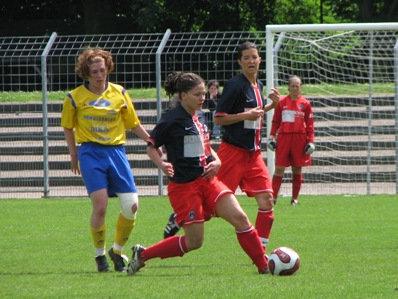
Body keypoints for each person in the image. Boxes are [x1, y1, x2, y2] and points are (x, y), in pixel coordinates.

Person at [127, 71, 269, 275]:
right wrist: (162, 164)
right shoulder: (171, 119)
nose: (202, 98)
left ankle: (264, 266)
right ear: (183, 95)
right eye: (197, 94)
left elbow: (205, 145)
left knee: (240, 218)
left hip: (209, 181)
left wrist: (217, 160)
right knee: (195, 241)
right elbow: (151, 146)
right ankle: (142, 255)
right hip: (184, 187)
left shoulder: (199, 116)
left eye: (203, 94)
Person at [163, 42, 280, 255]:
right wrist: (247, 115)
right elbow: (219, 118)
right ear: (240, 62)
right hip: (233, 152)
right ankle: (178, 217)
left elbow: (255, 113)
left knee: (267, 201)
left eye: (254, 57)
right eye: (246, 57)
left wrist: (270, 106)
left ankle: (261, 251)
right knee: (209, 208)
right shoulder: (235, 85)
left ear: (260, 59)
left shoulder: (259, 85)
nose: (251, 61)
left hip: (253, 155)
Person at [61, 47, 159, 273]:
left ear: (107, 69)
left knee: (131, 205)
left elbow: (133, 123)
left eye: (101, 70)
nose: (98, 75)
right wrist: (73, 155)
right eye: (93, 71)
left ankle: (117, 250)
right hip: (90, 153)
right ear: (86, 73)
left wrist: (152, 140)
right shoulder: (74, 97)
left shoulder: (120, 93)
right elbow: (68, 127)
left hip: (116, 152)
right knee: (101, 206)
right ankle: (99, 256)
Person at [267, 75, 315, 205]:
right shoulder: (281, 102)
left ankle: (295, 199)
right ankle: (273, 198)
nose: (294, 88)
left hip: (299, 139)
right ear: (288, 87)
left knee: (297, 169)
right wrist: (271, 137)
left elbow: (310, 125)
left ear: (301, 87)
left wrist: (311, 141)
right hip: (284, 138)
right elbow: (276, 121)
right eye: (292, 86)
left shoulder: (305, 104)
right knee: (279, 169)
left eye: (297, 86)